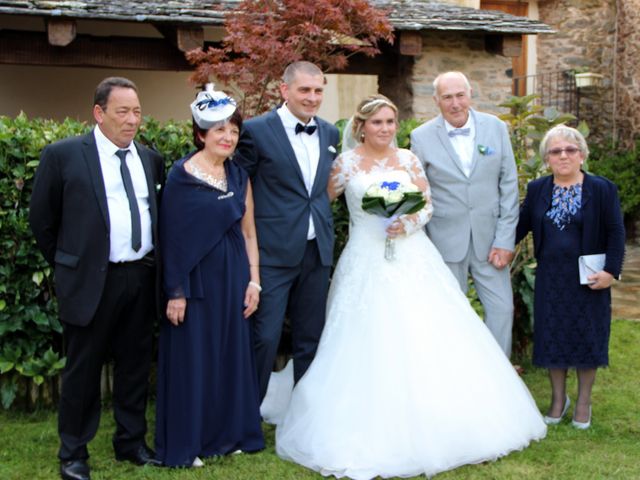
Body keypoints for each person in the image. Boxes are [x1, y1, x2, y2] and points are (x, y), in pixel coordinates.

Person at [275, 94, 546, 479]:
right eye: (377, 123)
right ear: (361, 126)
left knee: (429, 329)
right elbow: (317, 202)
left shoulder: (408, 160)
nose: (385, 129)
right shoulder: (346, 164)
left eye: (390, 122)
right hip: (364, 258)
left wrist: (409, 223)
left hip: (413, 254)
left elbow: (427, 205)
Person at [29, 77, 164, 480]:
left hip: (140, 279)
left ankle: (131, 443)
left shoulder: (150, 158)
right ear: (99, 113)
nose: (132, 119)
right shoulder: (64, 155)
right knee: (82, 372)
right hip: (91, 282)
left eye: (137, 111)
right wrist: (70, 264)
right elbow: (42, 221)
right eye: (122, 111)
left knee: (135, 367)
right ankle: (73, 453)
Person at [154, 84, 265, 467]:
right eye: (219, 130)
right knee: (195, 360)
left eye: (233, 131)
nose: (227, 137)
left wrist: (254, 281)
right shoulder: (181, 176)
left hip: (234, 277)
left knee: (229, 358)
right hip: (194, 281)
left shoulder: (239, 176)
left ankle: (228, 434)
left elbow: (249, 232)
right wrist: (176, 291)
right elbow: (171, 239)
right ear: (201, 134)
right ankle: (191, 441)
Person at [234, 61, 340, 400]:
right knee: (265, 335)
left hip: (316, 249)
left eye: (318, 90)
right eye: (304, 90)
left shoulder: (330, 132)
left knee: (311, 336)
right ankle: (247, 414)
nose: (312, 97)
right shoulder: (255, 130)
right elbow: (241, 189)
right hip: (272, 252)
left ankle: (305, 413)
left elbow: (322, 189)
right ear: (285, 90)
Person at [516, 124, 625, 429]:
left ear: (582, 155)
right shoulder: (538, 189)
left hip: (589, 279)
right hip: (551, 278)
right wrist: (500, 248)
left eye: (570, 150)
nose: (563, 155)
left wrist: (611, 272)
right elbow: (521, 225)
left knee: (588, 337)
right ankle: (557, 399)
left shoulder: (602, 189)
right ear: (547, 158)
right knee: (553, 337)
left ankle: (583, 402)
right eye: (556, 151)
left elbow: (616, 232)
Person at [410, 71, 519, 357]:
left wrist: (506, 240)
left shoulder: (495, 128)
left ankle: (498, 376)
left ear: (470, 95)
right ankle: (456, 375)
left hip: (491, 241)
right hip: (444, 240)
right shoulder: (420, 137)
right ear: (436, 100)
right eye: (447, 97)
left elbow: (509, 184)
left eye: (460, 95)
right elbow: (418, 193)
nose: (455, 103)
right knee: (449, 313)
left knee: (502, 309)